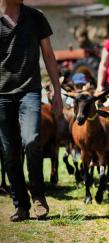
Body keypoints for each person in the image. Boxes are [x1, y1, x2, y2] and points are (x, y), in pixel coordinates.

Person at [0, 0, 62, 221]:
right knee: (9, 152)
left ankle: (38, 196)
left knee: (32, 140)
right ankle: (21, 205)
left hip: (30, 91)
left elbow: (48, 55)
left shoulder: (36, 16)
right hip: (1, 95)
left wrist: (57, 90)